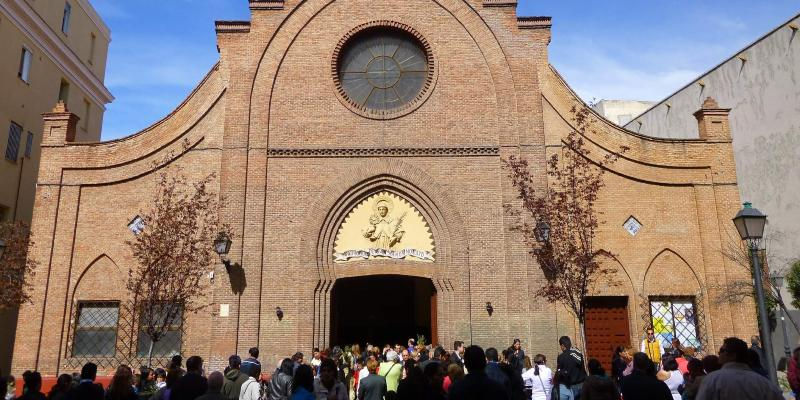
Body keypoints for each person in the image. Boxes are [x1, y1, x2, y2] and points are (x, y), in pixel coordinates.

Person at [695, 337, 783, 400]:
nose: (718, 353)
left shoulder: (712, 380)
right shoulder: (763, 382)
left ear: (733, 355)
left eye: (722, 350)